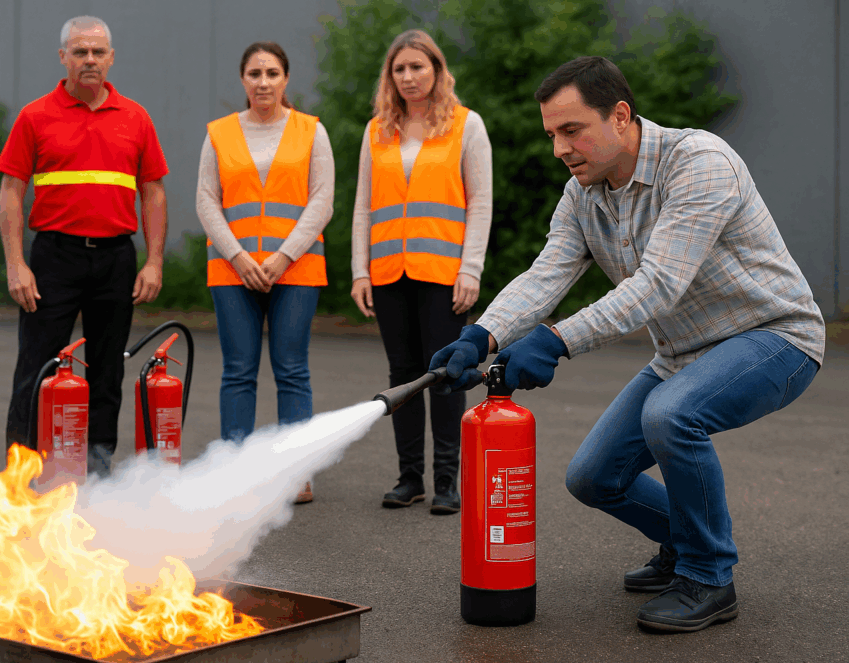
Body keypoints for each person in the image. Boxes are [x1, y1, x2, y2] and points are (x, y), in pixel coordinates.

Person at [430, 56, 825, 632]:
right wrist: (480, 336)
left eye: (572, 130)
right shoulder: (583, 195)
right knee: (593, 478)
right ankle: (683, 544)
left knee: (671, 415)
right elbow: (545, 276)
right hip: (683, 354)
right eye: (552, 135)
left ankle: (708, 575)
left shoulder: (699, 163)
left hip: (774, 337)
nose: (560, 149)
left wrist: (555, 340)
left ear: (619, 116)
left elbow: (658, 284)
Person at [0, 16, 169, 476]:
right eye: (80, 52)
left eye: (97, 52)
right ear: (63, 57)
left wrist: (154, 261)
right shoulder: (35, 116)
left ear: (111, 58)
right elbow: (11, 190)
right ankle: (22, 472)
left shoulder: (135, 117)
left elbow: (153, 191)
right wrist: (16, 264)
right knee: (37, 367)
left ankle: (97, 469)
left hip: (116, 259)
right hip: (53, 258)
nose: (89, 60)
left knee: (107, 370)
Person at [349, 29, 492, 514]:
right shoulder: (377, 130)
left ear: (437, 69)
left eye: (417, 66)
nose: (408, 77)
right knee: (403, 374)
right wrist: (360, 271)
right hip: (388, 270)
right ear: (390, 77)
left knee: (445, 373)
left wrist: (471, 269)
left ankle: (446, 480)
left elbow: (480, 203)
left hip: (443, 272)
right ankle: (409, 477)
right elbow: (363, 206)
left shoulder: (466, 125)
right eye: (399, 69)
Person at [196, 41, 334, 504]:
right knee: (238, 371)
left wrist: (282, 257)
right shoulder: (219, 133)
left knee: (292, 370)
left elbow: (322, 200)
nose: (263, 82)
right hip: (232, 270)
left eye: (272, 73)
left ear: (286, 79)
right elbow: (206, 201)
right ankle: (236, 473)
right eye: (255, 74)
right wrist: (238, 257)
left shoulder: (311, 131)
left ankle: (296, 475)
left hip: (295, 269)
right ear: (243, 80)